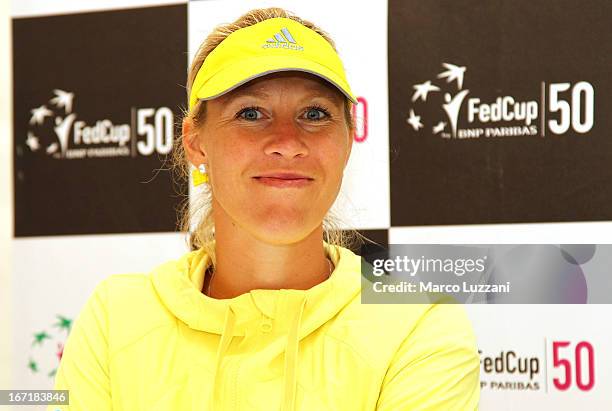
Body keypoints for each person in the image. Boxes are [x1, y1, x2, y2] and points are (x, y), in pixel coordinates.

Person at [49, 7, 480, 410]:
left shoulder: (417, 326)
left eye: (314, 113)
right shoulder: (116, 318)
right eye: (251, 113)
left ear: (349, 138)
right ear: (196, 142)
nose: (288, 143)